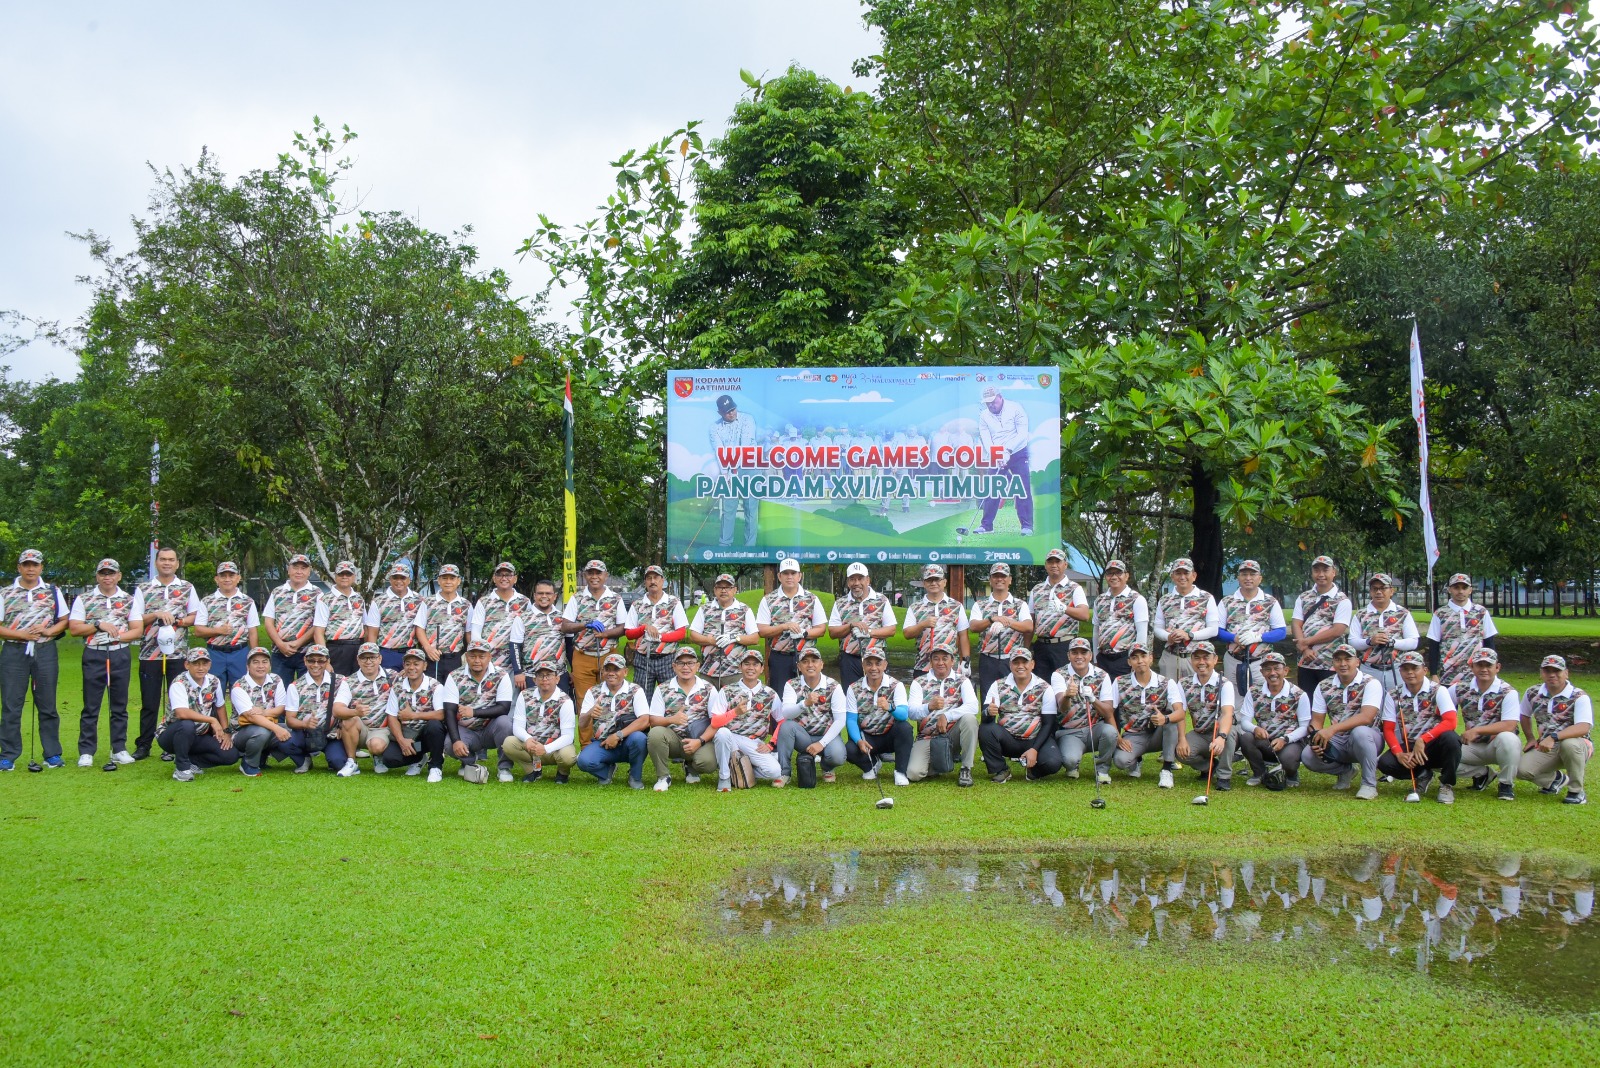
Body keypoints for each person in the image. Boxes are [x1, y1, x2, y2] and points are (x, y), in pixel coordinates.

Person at [131, 546, 203, 761]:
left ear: (177, 564)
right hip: (150, 654)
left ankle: (171, 744)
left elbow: (195, 616)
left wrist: (177, 620)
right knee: (150, 702)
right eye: (163, 559)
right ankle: (144, 744)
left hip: (178, 654)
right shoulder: (143, 588)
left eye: (171, 560)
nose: (167, 563)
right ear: (156, 563)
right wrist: (155, 614)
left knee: (177, 702)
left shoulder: (187, 587)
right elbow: (135, 619)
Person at [67, 559, 141, 767]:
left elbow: (137, 629)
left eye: (111, 573)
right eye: (103, 573)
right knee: (91, 705)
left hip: (119, 653)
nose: (107, 577)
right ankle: (87, 751)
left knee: (119, 704)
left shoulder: (128, 599)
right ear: (97, 576)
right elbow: (74, 629)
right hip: (94, 654)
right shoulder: (84, 599)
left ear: (119, 575)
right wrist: (98, 625)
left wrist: (117, 637)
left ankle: (119, 748)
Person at [0, 549, 69, 771]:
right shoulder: (5, 592)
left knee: (47, 704)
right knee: (11, 704)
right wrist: (21, 634)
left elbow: (64, 620)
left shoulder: (52, 591)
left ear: (41, 568)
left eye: (35, 565)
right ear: (19, 567)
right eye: (26, 565)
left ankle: (52, 753)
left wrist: (49, 631)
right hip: (14, 652)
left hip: (45, 651)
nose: (31, 569)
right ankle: (8, 755)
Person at [1301, 644, 1384, 800]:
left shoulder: (1371, 683)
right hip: (1338, 740)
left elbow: (1367, 717)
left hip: (1368, 738)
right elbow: (1317, 720)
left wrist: (1332, 729)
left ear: (1357, 662)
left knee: (1360, 732)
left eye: (1348, 659)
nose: (1343, 663)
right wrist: (1316, 738)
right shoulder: (1324, 685)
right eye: (1338, 660)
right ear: (1333, 663)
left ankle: (1369, 784)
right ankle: (1345, 770)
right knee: (1308, 755)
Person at [1379, 650, 1461, 804]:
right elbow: (1388, 728)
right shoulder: (1393, 694)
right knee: (1385, 762)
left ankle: (1446, 784)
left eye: (1414, 668)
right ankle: (1423, 773)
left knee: (1451, 738)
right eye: (1405, 669)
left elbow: (1451, 721)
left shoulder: (1439, 690)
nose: (1410, 673)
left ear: (1424, 670)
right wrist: (1399, 754)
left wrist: (1423, 739)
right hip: (1411, 745)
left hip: (1435, 743)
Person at [1100, 642, 1182, 787]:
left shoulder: (1166, 682)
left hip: (1158, 733)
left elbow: (1180, 712)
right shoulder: (1120, 682)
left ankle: (1167, 769)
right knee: (1120, 761)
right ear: (1129, 662)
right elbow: (1109, 712)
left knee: (1171, 722)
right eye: (1135, 657)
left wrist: (1165, 718)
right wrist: (1118, 738)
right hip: (1133, 735)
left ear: (1151, 658)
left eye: (1144, 656)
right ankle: (1136, 760)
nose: (1140, 661)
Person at [979, 648, 1063, 782]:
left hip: (1035, 738)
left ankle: (1032, 770)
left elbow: (1049, 723)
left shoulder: (1044, 687)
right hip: (1008, 739)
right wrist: (988, 712)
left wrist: (1034, 749)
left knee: (1053, 763)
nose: (1020, 666)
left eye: (1025, 662)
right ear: (1010, 665)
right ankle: (1001, 769)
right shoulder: (998, 685)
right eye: (1016, 662)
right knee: (986, 729)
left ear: (1032, 664)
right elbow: (985, 718)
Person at [645, 647, 723, 791]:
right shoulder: (663, 688)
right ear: (674, 666)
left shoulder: (708, 689)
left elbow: (716, 722)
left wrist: (699, 741)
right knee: (655, 734)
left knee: (708, 763)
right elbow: (653, 720)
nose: (686, 667)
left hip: (699, 739)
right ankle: (663, 776)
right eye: (681, 663)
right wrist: (671, 720)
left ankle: (691, 766)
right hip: (673, 739)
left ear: (698, 666)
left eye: (690, 663)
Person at [1518, 655, 1591, 805]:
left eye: (1557, 671)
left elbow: (1583, 727)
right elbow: (1524, 715)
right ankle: (1555, 780)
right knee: (1520, 770)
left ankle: (1576, 791)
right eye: (1547, 670)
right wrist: (1531, 738)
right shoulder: (1533, 692)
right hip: (1546, 747)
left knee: (1569, 744)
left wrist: (1554, 737)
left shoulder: (1578, 696)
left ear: (1566, 673)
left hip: (1578, 745)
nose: (1552, 674)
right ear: (1541, 673)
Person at [442, 638, 518, 783]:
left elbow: (504, 707)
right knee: (450, 744)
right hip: (466, 729)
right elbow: (450, 711)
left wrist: (474, 712)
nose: (477, 660)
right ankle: (469, 762)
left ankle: (504, 767)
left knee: (506, 723)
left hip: (491, 729)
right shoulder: (455, 676)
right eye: (473, 656)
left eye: (481, 656)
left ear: (489, 657)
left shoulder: (501, 675)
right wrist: (457, 740)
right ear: (466, 657)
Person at [157, 647, 237, 781]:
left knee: (231, 755)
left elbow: (220, 707)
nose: (201, 668)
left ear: (210, 665)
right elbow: (181, 713)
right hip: (171, 735)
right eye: (196, 663)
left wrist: (226, 732)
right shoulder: (179, 683)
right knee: (186, 725)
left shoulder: (214, 681)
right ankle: (181, 769)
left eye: (204, 663)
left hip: (199, 735)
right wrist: (212, 720)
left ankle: (191, 761)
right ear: (187, 664)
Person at [1453, 648, 1521, 801]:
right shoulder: (1459, 688)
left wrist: (1477, 730)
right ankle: (1482, 773)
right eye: (1479, 665)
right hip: (1470, 746)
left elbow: (1510, 725)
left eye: (1488, 665)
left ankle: (1506, 784)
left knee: (1508, 738)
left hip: (1497, 746)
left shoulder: (1508, 691)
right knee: (1437, 753)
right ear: (1472, 667)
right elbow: (1443, 711)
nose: (1484, 669)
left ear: (1497, 667)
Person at [1235, 651, 1310, 789]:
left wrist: (1285, 739)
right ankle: (1260, 773)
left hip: (1290, 742)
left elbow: (1305, 727)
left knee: (1288, 759)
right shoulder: (1254, 691)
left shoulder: (1299, 694)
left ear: (1286, 671)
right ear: (1262, 672)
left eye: (1277, 668)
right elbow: (1245, 721)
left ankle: (1291, 774)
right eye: (1268, 669)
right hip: (1265, 741)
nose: (1272, 673)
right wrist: (1255, 728)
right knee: (1246, 737)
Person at [773, 646, 847, 785]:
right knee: (787, 726)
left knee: (837, 756)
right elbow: (786, 713)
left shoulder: (834, 686)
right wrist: (804, 703)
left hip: (826, 736)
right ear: (799, 666)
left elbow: (840, 720)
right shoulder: (791, 684)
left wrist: (821, 743)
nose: (810, 665)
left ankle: (827, 767)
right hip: (803, 736)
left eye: (814, 660)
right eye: (805, 661)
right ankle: (784, 772)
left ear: (821, 664)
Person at [711, 649, 783, 790]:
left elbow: (782, 720)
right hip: (732, 739)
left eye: (755, 664)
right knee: (722, 733)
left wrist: (771, 744)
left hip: (754, 742)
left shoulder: (770, 693)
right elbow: (715, 722)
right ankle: (724, 777)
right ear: (740, 667)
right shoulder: (728, 690)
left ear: (762, 668)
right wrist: (735, 712)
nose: (751, 668)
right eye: (747, 664)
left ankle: (742, 771)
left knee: (775, 771)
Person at [907, 646, 980, 786]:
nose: (941, 662)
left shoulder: (962, 681)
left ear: (952, 661)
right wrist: (928, 707)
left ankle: (966, 768)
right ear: (930, 661)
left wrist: (947, 716)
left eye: (945, 658)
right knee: (914, 773)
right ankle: (942, 761)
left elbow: (973, 706)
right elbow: (911, 712)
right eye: (936, 658)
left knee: (970, 720)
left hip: (952, 734)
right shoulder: (919, 682)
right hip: (927, 737)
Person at [575, 652, 649, 788]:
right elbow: (581, 724)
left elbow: (644, 720)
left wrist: (618, 735)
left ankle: (635, 776)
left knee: (640, 738)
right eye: (607, 669)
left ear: (625, 672)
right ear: (602, 672)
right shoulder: (593, 691)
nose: (611, 673)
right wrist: (589, 713)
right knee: (583, 761)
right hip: (603, 743)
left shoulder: (635, 690)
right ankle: (606, 771)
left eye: (616, 669)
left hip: (628, 742)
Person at [755, 558, 826, 694]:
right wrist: (783, 627)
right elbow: (762, 631)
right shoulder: (769, 599)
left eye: (793, 573)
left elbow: (821, 629)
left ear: (800, 576)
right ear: (779, 576)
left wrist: (804, 633)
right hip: (780, 657)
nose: (789, 577)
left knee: (808, 695)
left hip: (806, 656)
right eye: (786, 573)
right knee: (780, 695)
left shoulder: (812, 599)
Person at [1048, 637, 1114, 783]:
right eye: (1074, 652)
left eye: (1083, 652)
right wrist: (1067, 696)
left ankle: (1102, 769)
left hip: (1095, 729)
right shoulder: (1059, 674)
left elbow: (1108, 712)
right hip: (1070, 731)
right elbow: (1062, 707)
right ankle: (1073, 765)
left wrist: (1093, 699)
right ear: (1068, 655)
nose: (1079, 656)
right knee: (1070, 760)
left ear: (1090, 655)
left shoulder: (1102, 675)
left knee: (1110, 732)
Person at [560, 559, 626, 702]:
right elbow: (565, 626)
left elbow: (623, 628)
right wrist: (585, 625)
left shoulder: (615, 598)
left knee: (610, 699)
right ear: (585, 575)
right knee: (584, 701)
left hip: (609, 656)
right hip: (583, 656)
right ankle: (586, 726)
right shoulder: (577, 598)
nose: (594, 576)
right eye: (590, 573)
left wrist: (606, 634)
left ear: (606, 575)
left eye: (598, 573)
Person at [844, 650, 914, 785]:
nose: (874, 668)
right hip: (868, 737)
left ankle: (900, 772)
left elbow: (904, 715)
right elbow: (851, 720)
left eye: (878, 663)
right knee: (850, 749)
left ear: (885, 665)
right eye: (869, 664)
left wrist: (890, 707)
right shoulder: (854, 688)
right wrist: (859, 741)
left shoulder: (896, 685)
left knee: (905, 728)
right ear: (863, 665)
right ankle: (872, 765)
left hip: (890, 735)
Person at [1216, 560, 1286, 693]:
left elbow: (1281, 632)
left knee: (1263, 699)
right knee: (1234, 701)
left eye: (1252, 574)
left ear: (1260, 578)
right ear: (1238, 578)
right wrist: (1234, 638)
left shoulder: (1270, 601)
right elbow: (1218, 631)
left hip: (1262, 661)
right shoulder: (1227, 601)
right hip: (1233, 660)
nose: (1248, 578)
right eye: (1244, 574)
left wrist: (1258, 637)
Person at [193, 561, 259, 700]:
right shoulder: (207, 601)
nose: (227, 579)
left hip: (239, 653)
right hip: (215, 653)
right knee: (213, 695)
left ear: (238, 578)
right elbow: (198, 630)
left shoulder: (247, 601)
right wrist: (218, 631)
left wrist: (255, 656)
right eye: (223, 576)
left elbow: (253, 631)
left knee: (243, 695)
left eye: (231, 575)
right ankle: (215, 722)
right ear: (216, 579)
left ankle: (240, 722)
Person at [1174, 643, 1236, 790]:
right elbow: (1181, 714)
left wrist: (1221, 737)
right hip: (1200, 733)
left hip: (1221, 729)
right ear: (1191, 660)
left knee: (1230, 735)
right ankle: (1209, 767)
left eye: (1206, 657)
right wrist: (1182, 739)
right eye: (1197, 658)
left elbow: (1227, 713)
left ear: (1215, 659)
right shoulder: (1183, 683)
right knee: (1181, 752)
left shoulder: (1225, 684)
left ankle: (1224, 776)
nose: (1201, 662)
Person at [969, 563, 1034, 703]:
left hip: (1012, 659)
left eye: (1003, 576)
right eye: (996, 576)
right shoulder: (980, 604)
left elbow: (1028, 626)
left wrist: (1007, 621)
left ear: (1010, 579)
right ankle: (988, 725)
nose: (1000, 579)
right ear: (990, 580)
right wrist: (992, 619)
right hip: (988, 659)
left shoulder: (1019, 604)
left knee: (1012, 698)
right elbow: (973, 626)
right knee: (988, 700)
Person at [380, 647, 448, 781]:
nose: (411, 667)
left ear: (425, 666)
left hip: (428, 736)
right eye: (408, 664)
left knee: (434, 726)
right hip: (408, 736)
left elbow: (441, 714)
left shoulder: (435, 686)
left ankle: (435, 766)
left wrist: (413, 715)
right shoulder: (397, 687)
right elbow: (392, 716)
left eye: (416, 664)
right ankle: (419, 756)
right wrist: (401, 741)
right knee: (390, 759)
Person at [624, 564, 689, 703]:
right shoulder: (637, 604)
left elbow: (681, 632)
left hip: (668, 659)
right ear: (645, 582)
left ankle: (665, 725)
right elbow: (629, 633)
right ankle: (643, 725)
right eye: (649, 578)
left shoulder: (673, 602)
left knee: (670, 699)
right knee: (641, 700)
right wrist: (644, 628)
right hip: (643, 659)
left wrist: (660, 637)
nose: (652, 581)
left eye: (656, 578)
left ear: (662, 580)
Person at [504, 662, 578, 782]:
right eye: (540, 675)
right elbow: (517, 726)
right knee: (509, 743)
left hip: (555, 748)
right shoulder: (525, 695)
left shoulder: (565, 701)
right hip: (531, 746)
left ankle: (562, 772)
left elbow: (568, 736)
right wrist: (527, 739)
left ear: (557, 679)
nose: (545, 679)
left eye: (549, 675)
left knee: (568, 756)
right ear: (534, 680)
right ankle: (533, 771)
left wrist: (546, 748)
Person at [973, 385, 1033, 536]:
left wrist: (1008, 450)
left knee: (1022, 488)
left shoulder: (1015, 408)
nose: (991, 405)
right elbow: (986, 438)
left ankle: (1027, 526)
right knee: (993, 489)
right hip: (998, 454)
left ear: (1000, 397)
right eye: (988, 403)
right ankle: (986, 525)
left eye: (993, 401)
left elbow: (1022, 434)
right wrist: (996, 454)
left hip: (1018, 452)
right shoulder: (984, 416)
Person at [828, 562, 896, 689]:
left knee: (877, 694)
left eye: (860, 578)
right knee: (850, 695)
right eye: (852, 579)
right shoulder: (840, 603)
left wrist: (869, 632)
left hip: (876, 658)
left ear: (868, 580)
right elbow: (832, 632)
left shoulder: (881, 600)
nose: (856, 583)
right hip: (850, 659)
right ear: (848, 582)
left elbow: (891, 629)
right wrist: (850, 626)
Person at [1290, 555, 1352, 693]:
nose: (1321, 574)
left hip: (1329, 662)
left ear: (1333, 572)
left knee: (1332, 702)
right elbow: (1296, 624)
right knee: (1307, 704)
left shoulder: (1342, 600)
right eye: (1317, 570)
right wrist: (1305, 649)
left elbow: (1337, 630)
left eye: (1325, 570)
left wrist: (1305, 642)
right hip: (1305, 661)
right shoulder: (1304, 597)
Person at [333, 642, 398, 775]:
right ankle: (352, 762)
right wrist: (355, 712)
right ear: (358, 660)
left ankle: (377, 757)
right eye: (364, 658)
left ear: (379, 658)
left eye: (372, 657)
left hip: (383, 729)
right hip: (361, 728)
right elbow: (337, 709)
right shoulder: (349, 681)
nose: (368, 661)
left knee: (376, 746)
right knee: (348, 719)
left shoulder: (393, 676)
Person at [687, 573, 759, 690]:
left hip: (735, 671)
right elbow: (693, 635)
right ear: (715, 590)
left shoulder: (744, 609)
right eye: (720, 587)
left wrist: (735, 638)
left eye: (728, 587)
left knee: (734, 705)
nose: (724, 590)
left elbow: (755, 638)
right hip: (708, 671)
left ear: (734, 590)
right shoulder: (705, 609)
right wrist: (710, 640)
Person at [1427, 572, 1499, 688]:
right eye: (1456, 587)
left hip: (1477, 673)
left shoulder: (1481, 612)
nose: (1460, 591)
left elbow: (1489, 642)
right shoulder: (1440, 614)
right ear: (1450, 589)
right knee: (1448, 706)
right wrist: (1434, 673)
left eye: (1464, 588)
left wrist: (1492, 669)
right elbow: (1434, 644)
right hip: (1448, 674)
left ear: (1470, 590)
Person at [1349, 572, 1418, 693]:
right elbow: (1352, 641)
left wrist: (1392, 642)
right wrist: (1370, 641)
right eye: (1375, 589)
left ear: (1391, 591)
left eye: (1383, 588)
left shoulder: (1403, 613)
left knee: (1396, 706)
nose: (1378, 592)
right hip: (1369, 669)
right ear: (1370, 592)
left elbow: (1413, 642)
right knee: (1370, 706)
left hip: (1396, 669)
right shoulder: (1361, 614)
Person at [1153, 558, 1220, 682]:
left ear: (1194, 576)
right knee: (1170, 696)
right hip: (1171, 656)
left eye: (1186, 573)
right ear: (1172, 577)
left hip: (1197, 658)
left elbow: (1213, 630)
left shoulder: (1206, 597)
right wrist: (1168, 637)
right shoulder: (1165, 600)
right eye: (1178, 573)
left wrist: (1190, 635)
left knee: (1196, 696)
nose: (1182, 577)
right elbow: (1157, 628)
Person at [1028, 548, 1090, 681]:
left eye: (1058, 561)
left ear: (1065, 565)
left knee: (1065, 684)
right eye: (1050, 562)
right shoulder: (1037, 590)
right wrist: (1027, 649)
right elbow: (1030, 622)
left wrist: (1064, 608)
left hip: (1064, 645)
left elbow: (1085, 615)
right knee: (1042, 686)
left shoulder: (1074, 588)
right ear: (1046, 565)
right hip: (1042, 645)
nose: (1054, 565)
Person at [227, 647, 290, 777]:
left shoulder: (276, 679)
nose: (260, 666)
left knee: (293, 729)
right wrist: (276, 729)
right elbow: (251, 717)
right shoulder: (239, 687)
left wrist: (263, 712)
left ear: (270, 665)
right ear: (247, 666)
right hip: (242, 732)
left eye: (264, 661)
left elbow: (281, 707)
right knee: (262, 731)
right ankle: (248, 763)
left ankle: (262, 756)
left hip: (266, 723)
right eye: (255, 662)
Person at [709, 393, 759, 548]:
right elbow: (719, 452)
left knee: (750, 507)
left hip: (750, 466)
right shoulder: (714, 428)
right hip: (729, 468)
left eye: (733, 409)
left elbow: (745, 447)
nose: (731, 413)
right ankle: (725, 544)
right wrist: (725, 473)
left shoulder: (747, 419)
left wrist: (733, 470)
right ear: (720, 412)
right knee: (728, 508)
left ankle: (750, 546)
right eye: (727, 411)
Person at [902, 564, 970, 677]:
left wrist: (966, 662)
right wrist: (923, 625)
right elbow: (907, 634)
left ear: (944, 582)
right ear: (924, 583)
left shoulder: (956, 606)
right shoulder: (915, 607)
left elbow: (963, 635)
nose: (933, 583)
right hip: (923, 666)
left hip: (950, 667)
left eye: (937, 579)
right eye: (929, 580)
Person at [282, 644, 341, 774]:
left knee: (338, 762)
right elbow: (290, 720)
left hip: (331, 733)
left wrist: (342, 727)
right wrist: (304, 724)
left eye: (321, 661)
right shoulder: (295, 686)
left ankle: (332, 758)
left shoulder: (340, 682)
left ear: (328, 661)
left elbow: (346, 709)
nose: (316, 664)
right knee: (286, 742)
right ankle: (303, 759)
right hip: (305, 733)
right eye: (311, 660)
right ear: (305, 661)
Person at [470, 562, 535, 677]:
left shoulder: (524, 602)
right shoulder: (484, 601)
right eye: (500, 575)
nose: (504, 578)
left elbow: (529, 631)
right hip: (490, 662)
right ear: (494, 579)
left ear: (515, 579)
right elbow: (476, 633)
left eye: (508, 575)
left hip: (516, 663)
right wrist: (482, 657)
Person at [262, 554, 320, 684]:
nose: (299, 572)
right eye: (295, 568)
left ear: (309, 571)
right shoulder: (277, 592)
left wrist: (299, 642)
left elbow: (319, 624)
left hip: (307, 653)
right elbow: (268, 621)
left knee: (306, 693)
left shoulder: (317, 593)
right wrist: (280, 644)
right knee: (280, 693)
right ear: (289, 570)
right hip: (280, 652)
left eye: (303, 568)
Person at [1091, 560, 1148, 680]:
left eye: (1118, 573)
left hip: (1125, 658)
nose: (1114, 577)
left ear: (1126, 576)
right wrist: (1096, 658)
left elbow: (1142, 632)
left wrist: (1137, 660)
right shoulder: (1100, 600)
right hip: (1103, 658)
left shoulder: (1136, 599)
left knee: (1124, 694)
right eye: (1110, 573)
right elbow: (1096, 630)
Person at [413, 563, 470, 683]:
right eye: (444, 578)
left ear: (458, 581)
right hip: (433, 657)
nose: (448, 582)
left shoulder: (466, 605)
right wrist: (428, 648)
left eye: (452, 578)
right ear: (439, 580)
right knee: (433, 693)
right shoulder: (428, 602)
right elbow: (419, 627)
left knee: (453, 693)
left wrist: (470, 653)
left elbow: (469, 632)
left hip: (455, 658)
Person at [364, 563, 422, 671]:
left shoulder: (419, 600)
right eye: (395, 577)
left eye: (403, 577)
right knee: (388, 686)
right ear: (390, 579)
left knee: (410, 686)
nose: (399, 581)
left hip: (411, 652)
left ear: (409, 580)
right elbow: (372, 633)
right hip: (387, 653)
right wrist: (372, 657)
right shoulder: (378, 601)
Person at [312, 560, 365, 677]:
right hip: (337, 649)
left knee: (357, 684)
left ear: (354, 577)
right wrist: (325, 659)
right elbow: (318, 633)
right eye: (341, 574)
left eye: (348, 574)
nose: (344, 577)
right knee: (337, 686)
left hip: (358, 647)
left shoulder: (359, 598)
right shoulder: (325, 599)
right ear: (335, 576)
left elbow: (365, 626)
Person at [520, 578, 571, 695]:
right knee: (533, 709)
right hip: (532, 674)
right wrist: (518, 672)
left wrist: (571, 671)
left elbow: (569, 645)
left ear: (554, 596)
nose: (544, 596)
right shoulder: (523, 617)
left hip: (559, 675)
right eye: (540, 593)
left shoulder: (563, 617)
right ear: (534, 595)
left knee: (559, 708)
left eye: (548, 593)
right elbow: (515, 646)